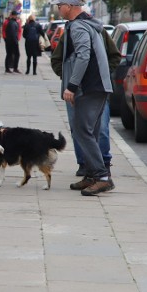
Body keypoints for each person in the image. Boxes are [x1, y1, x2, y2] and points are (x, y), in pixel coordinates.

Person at [49, 0, 114, 196]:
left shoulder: (78, 27)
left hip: (90, 87)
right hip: (97, 86)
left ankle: (102, 177)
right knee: (90, 131)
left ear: (70, 6)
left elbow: (83, 56)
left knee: (82, 130)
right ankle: (92, 175)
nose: (59, 8)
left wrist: (72, 86)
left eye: (60, 5)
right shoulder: (87, 24)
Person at [53, 19, 120, 177]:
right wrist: (68, 77)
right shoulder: (68, 33)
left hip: (95, 88)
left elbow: (114, 56)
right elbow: (56, 60)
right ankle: (84, 164)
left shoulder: (99, 32)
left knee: (101, 128)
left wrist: (100, 74)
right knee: (77, 128)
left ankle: (103, 164)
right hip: (74, 90)